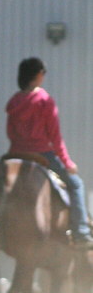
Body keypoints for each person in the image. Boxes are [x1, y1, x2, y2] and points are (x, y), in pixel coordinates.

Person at [6, 56, 93, 248]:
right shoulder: (44, 100)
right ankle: (81, 232)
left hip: (15, 154)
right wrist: (68, 163)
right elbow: (56, 138)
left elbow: (10, 133)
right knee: (77, 184)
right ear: (38, 75)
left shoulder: (14, 102)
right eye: (43, 73)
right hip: (41, 155)